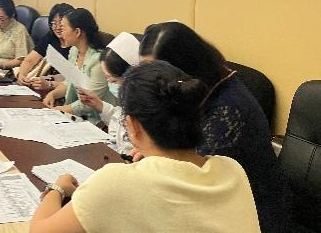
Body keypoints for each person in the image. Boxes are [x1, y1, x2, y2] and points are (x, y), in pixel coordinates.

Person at [30, 60, 260, 233]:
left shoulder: (116, 182)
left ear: (132, 125)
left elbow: (40, 230)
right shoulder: (232, 170)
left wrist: (57, 188)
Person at [138, 21, 290, 232]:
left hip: (252, 214)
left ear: (183, 68)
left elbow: (193, 174)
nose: (150, 82)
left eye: (156, 74)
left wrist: (153, 152)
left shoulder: (229, 111)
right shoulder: (201, 86)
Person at [42, 8, 115, 122]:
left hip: (98, 120)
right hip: (77, 115)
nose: (61, 33)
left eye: (63, 28)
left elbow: (90, 101)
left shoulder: (98, 60)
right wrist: (52, 94)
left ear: (77, 32)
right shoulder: (74, 51)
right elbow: (69, 83)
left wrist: (61, 110)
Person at [76, 32, 140, 154]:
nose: (110, 83)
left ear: (131, 76)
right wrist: (98, 104)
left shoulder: (145, 105)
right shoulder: (129, 99)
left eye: (113, 80)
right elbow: (120, 117)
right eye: (107, 78)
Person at [17, 3, 74, 91]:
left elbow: (74, 81)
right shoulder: (50, 37)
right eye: (54, 23)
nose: (58, 28)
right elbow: (30, 60)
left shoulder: (76, 45)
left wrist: (50, 84)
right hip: (40, 85)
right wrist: (22, 75)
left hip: (62, 90)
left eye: (61, 24)